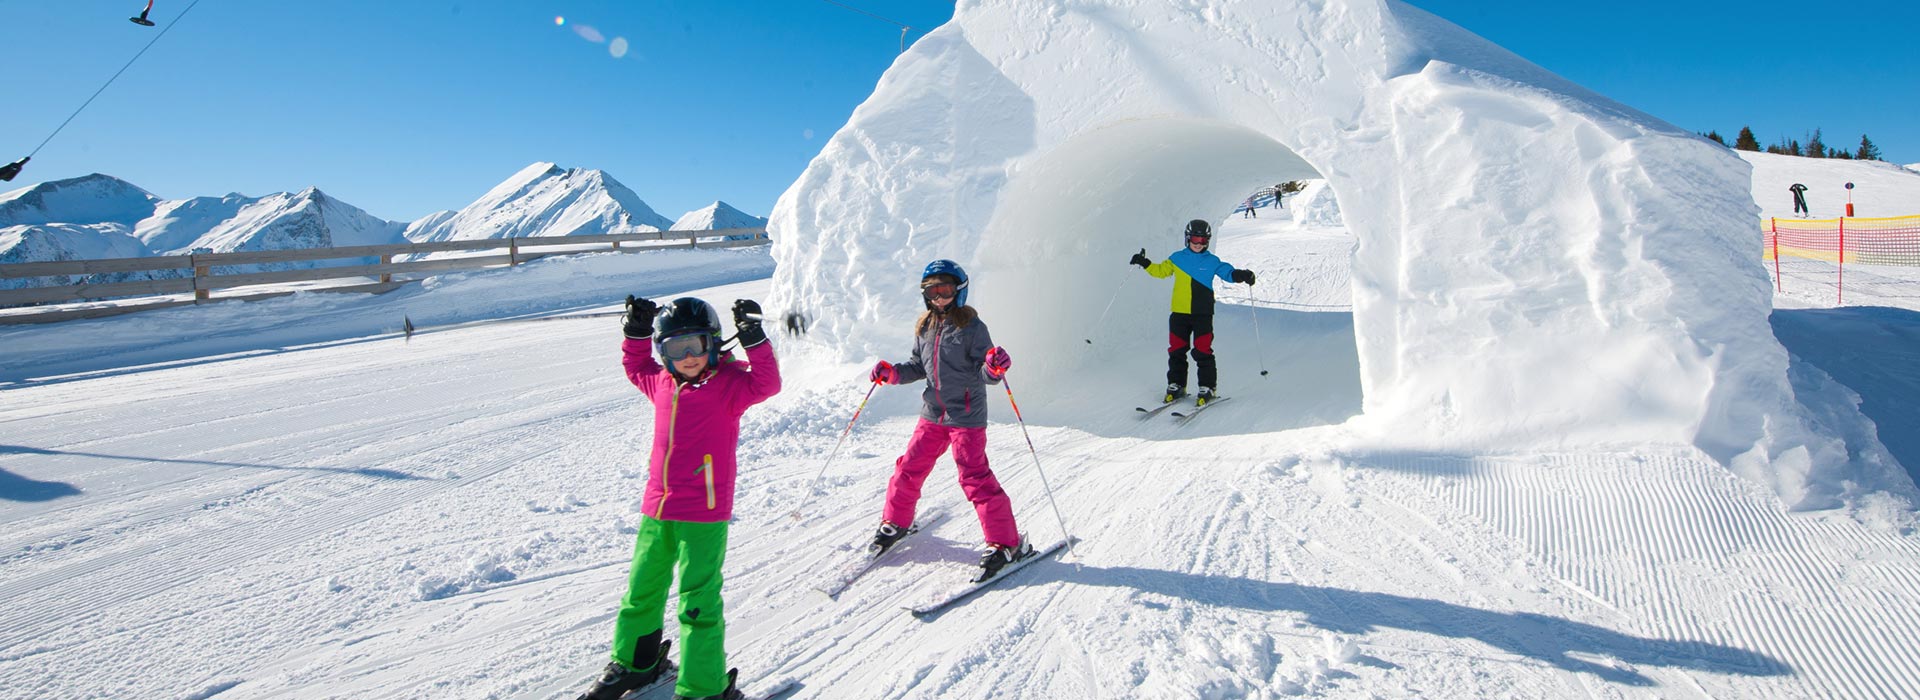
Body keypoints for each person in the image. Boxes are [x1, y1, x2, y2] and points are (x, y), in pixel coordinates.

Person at [578, 296, 781, 700]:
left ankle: (703, 688)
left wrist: (755, 338)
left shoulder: (729, 387)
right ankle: (638, 662)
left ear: (714, 343)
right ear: (663, 352)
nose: (688, 357)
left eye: (696, 345)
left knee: (697, 602)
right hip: (658, 507)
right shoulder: (661, 383)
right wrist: (635, 332)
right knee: (642, 589)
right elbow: (635, 366)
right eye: (675, 348)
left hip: (704, 514)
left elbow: (768, 383)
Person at [868, 260, 1032, 578]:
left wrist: (995, 367)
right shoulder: (925, 327)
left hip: (966, 415)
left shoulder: (973, 328)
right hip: (933, 413)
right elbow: (918, 366)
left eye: (944, 290)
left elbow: (985, 371)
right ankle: (896, 522)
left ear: (958, 291)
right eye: (931, 291)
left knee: (974, 476)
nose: (938, 298)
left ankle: (1006, 544)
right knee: (908, 468)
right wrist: (892, 374)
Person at [1129, 219, 1255, 406]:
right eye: (1195, 239)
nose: (1198, 244)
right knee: (1176, 350)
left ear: (1208, 241)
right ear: (1187, 238)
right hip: (1179, 314)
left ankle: (1207, 387)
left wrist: (1242, 275)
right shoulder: (1177, 258)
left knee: (1202, 350)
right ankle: (1177, 385)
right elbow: (1160, 271)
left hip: (1202, 314)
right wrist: (1144, 262)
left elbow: (1228, 273)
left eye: (1202, 240)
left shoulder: (1212, 261)